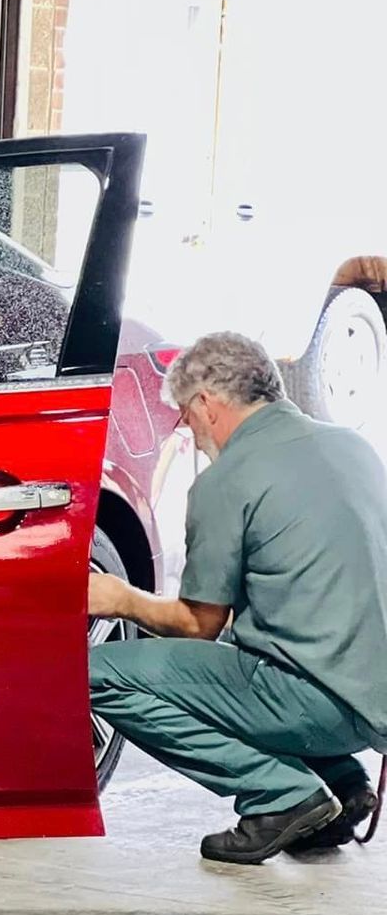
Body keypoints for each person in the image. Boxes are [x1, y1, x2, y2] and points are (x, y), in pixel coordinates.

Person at [88, 331, 387, 864]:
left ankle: (279, 796)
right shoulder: (354, 446)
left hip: (317, 703)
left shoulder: (227, 481)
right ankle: (343, 783)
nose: (185, 427)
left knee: (92, 674)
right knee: (254, 640)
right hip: (374, 701)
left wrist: (119, 597)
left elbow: (198, 624)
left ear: (207, 402)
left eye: (184, 412)